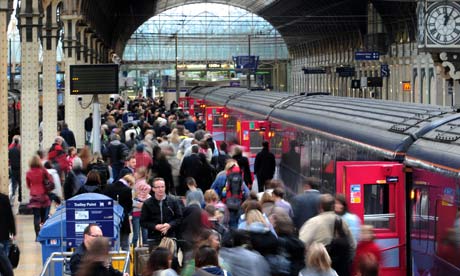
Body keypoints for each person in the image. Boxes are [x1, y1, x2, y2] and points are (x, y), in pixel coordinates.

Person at [299, 194, 355, 276]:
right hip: (340, 266)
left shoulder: (313, 222)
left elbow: (301, 243)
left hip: (318, 266)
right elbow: (352, 244)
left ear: (320, 207)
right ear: (333, 206)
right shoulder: (342, 221)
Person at [140, 177, 183, 247]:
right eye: (158, 187)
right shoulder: (147, 203)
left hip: (170, 237)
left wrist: (169, 225)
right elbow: (143, 222)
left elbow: (179, 218)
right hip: (153, 238)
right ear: (153, 189)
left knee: (171, 257)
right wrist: (155, 226)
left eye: (162, 187)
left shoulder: (173, 201)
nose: (161, 189)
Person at [103, 174, 134, 251]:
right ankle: (126, 263)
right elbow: (129, 207)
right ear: (129, 183)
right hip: (123, 221)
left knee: (111, 247)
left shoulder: (108, 187)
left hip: (109, 220)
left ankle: (110, 263)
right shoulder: (127, 190)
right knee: (125, 245)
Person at [26, 155, 51, 240]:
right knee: (44, 216)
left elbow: (28, 185)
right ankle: (45, 233)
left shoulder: (29, 173)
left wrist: (33, 189)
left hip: (34, 197)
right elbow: (50, 180)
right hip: (43, 195)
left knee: (36, 216)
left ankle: (37, 236)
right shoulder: (43, 171)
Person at [0, 192, 16, 263]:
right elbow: (10, 217)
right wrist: (13, 231)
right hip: (3, 234)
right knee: (4, 259)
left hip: (4, 234)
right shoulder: (4, 198)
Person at [8, 136, 21, 204]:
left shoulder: (10, 148)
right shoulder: (19, 148)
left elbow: (9, 158)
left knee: (13, 183)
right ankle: (20, 198)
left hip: (12, 168)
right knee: (20, 183)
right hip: (19, 168)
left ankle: (12, 196)